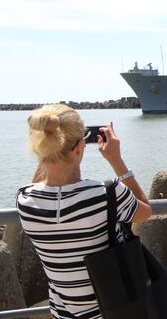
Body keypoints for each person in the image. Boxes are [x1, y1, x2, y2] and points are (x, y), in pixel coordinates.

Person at [16, 104, 152, 319]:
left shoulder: (24, 199)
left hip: (64, 314)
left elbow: (39, 184)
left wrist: (48, 156)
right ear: (80, 147)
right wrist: (116, 160)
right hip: (114, 309)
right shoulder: (107, 193)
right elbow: (145, 211)